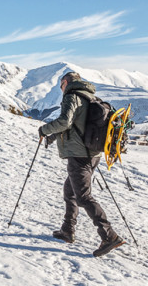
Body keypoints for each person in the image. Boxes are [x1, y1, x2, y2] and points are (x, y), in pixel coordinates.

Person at [39, 72, 125, 257]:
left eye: (61, 86)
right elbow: (77, 124)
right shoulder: (89, 96)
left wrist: (44, 130)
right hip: (92, 153)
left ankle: (109, 235)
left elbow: (65, 121)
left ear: (64, 83)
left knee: (83, 197)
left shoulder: (71, 96)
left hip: (79, 156)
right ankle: (67, 230)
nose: (61, 89)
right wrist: (54, 135)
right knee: (70, 191)